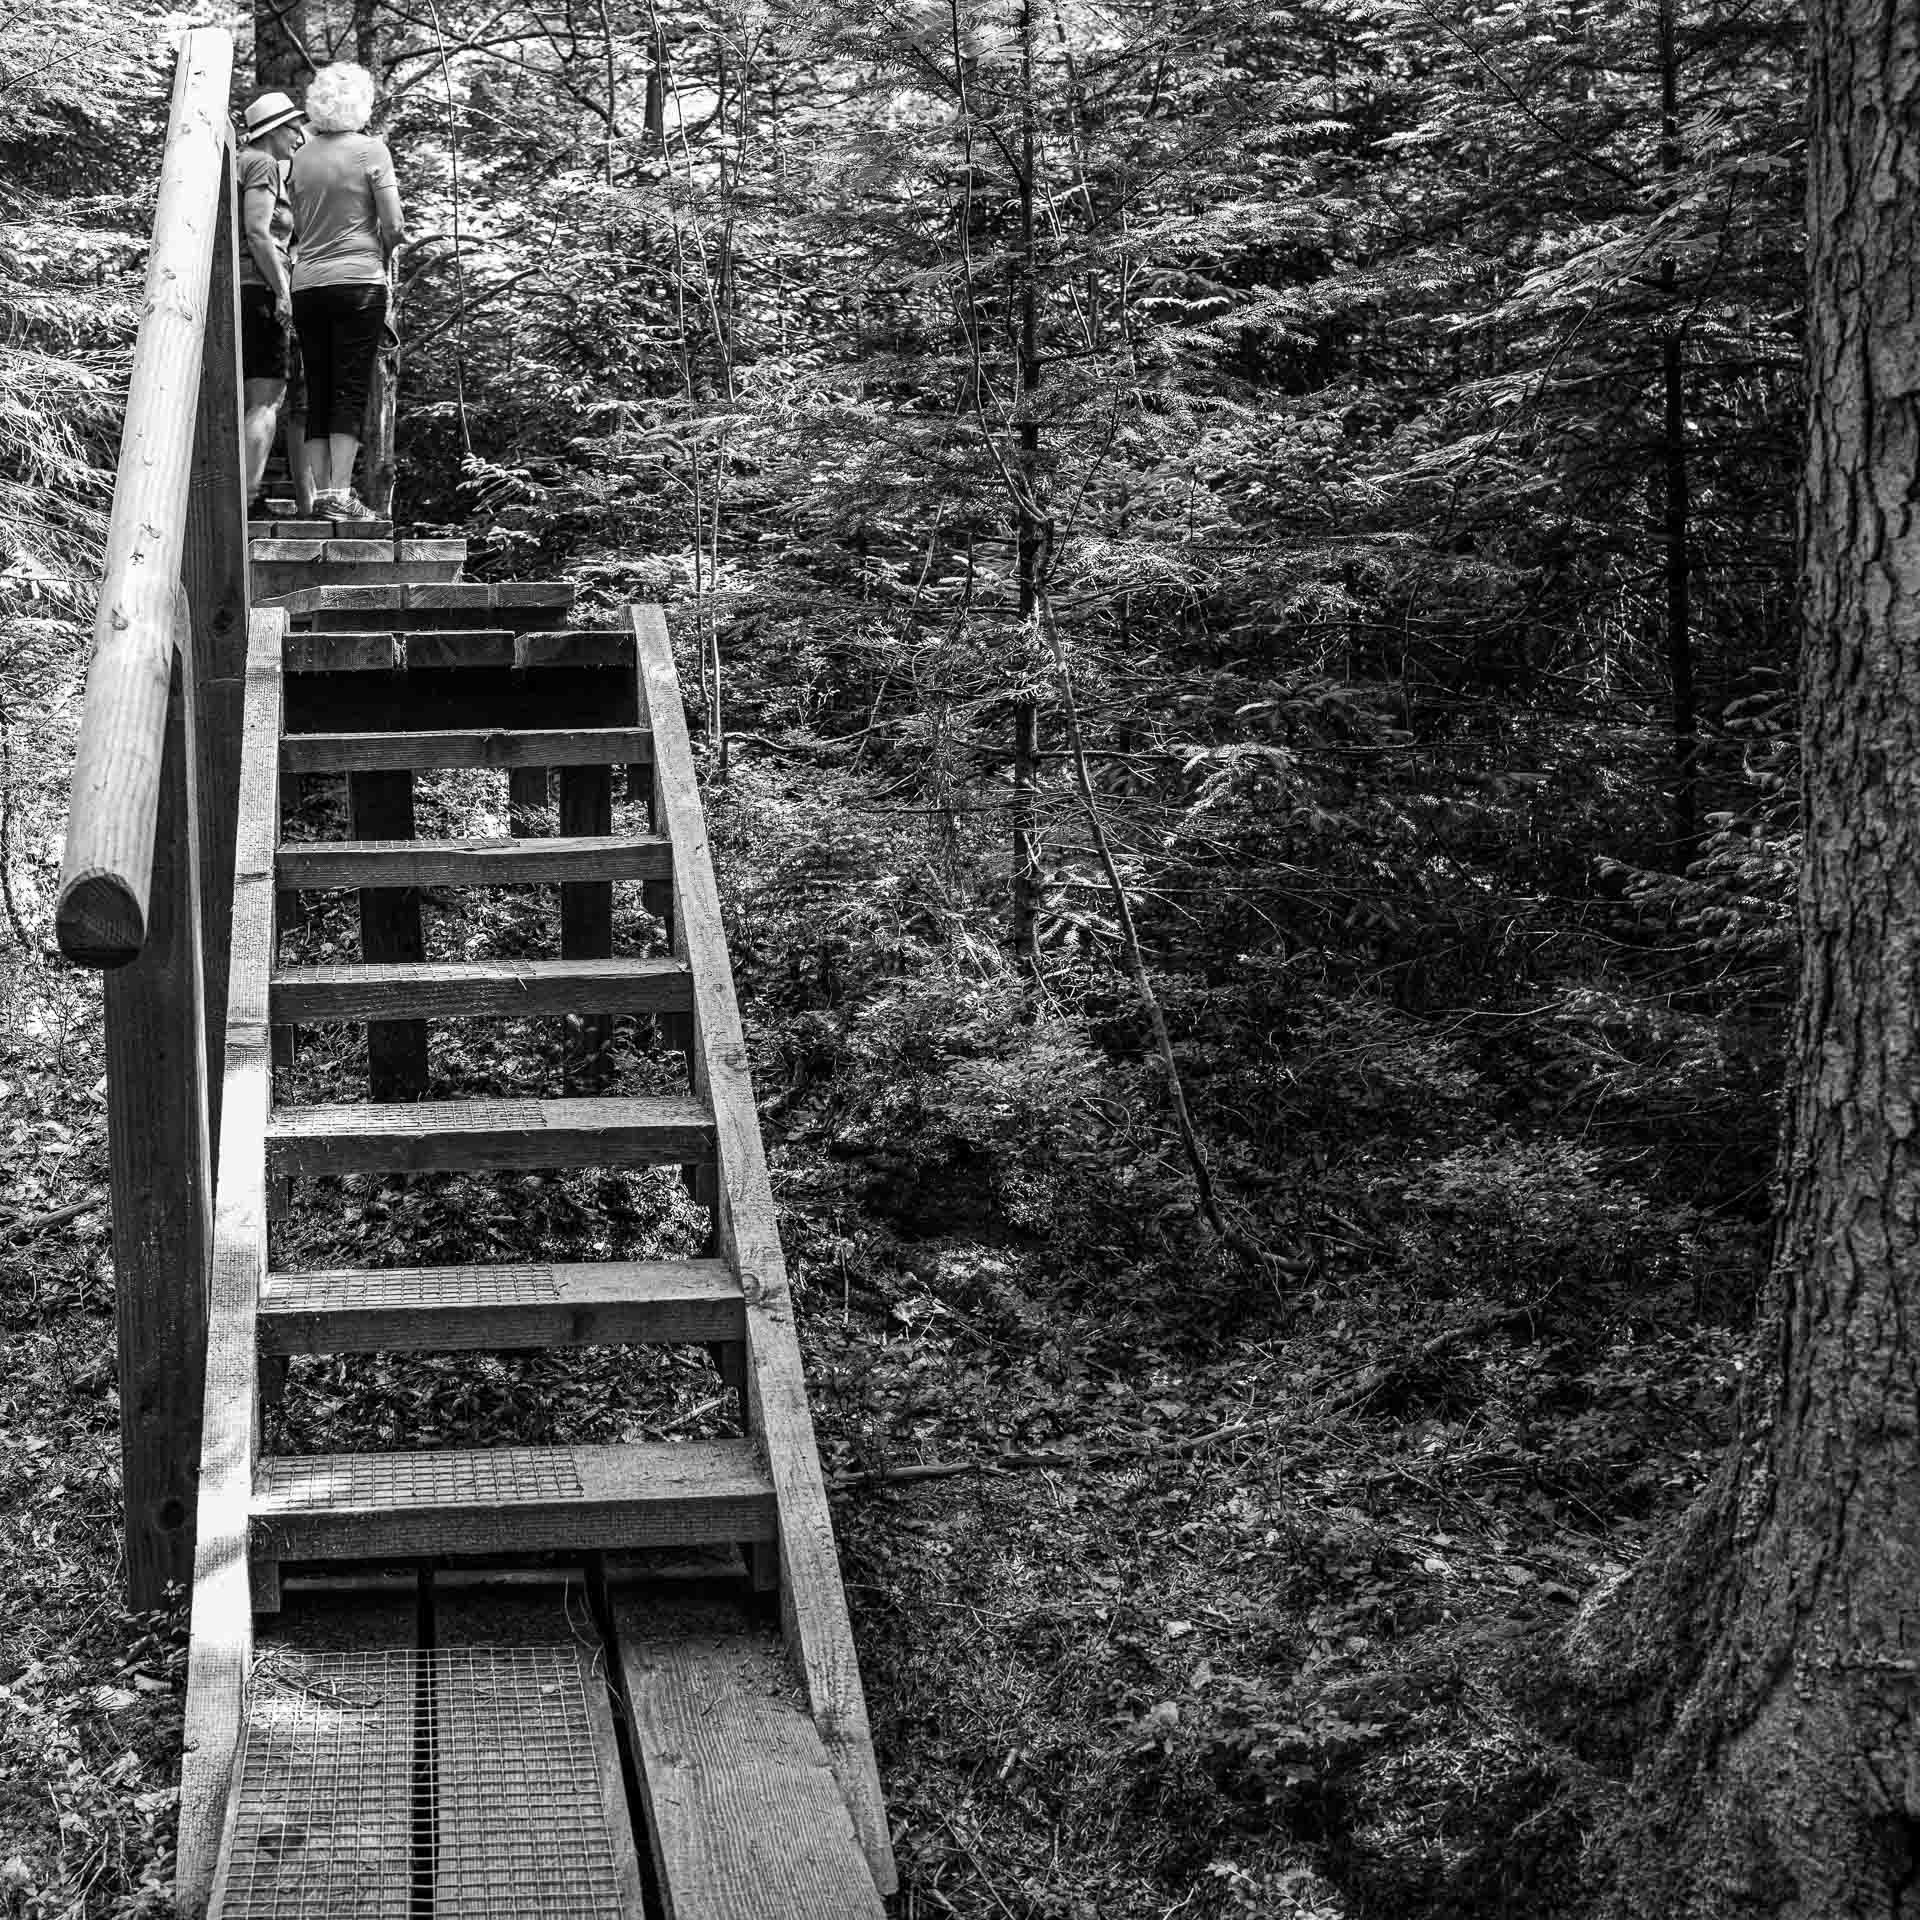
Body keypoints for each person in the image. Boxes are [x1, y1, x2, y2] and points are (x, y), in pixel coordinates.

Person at [288, 62, 404, 521]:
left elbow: (299, 219)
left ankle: (321, 497)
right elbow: (393, 224)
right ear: (361, 103)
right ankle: (339, 494)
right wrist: (385, 248)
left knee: (319, 386)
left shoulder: (302, 155)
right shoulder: (372, 150)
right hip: (358, 282)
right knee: (350, 387)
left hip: (308, 284)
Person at [235, 91, 305, 514]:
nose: (299, 135)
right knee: (267, 398)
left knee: (250, 398)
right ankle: (246, 500)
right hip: (260, 289)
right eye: (294, 127)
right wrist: (282, 290)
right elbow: (258, 231)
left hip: (244, 288)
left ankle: (241, 494)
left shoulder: (241, 161)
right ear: (274, 129)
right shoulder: (261, 162)